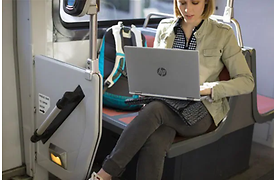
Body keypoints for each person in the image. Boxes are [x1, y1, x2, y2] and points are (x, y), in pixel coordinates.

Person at [92, 0, 254, 179]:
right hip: (167, 102)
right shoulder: (165, 27)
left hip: (202, 107)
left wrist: (209, 88)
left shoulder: (223, 33)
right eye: (182, 2)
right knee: (156, 140)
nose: (187, 9)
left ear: (206, 2)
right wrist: (147, 86)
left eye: (194, 2)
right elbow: (159, 70)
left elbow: (246, 81)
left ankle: (105, 174)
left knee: (155, 110)